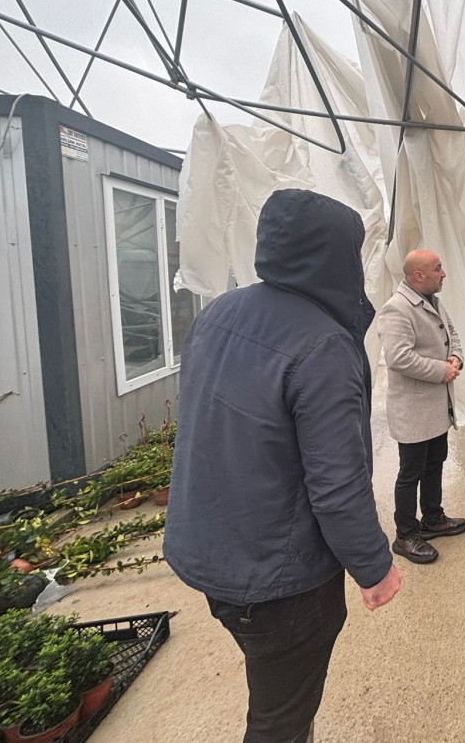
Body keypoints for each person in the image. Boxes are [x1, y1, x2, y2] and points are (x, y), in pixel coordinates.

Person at [163, 189, 401, 743]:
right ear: (336, 256)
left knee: (276, 696)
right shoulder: (323, 345)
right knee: (279, 720)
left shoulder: (220, 311)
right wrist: (373, 566)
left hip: (210, 550)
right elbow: (337, 486)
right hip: (278, 579)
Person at [378, 249, 465, 564]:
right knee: (411, 472)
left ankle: (432, 518)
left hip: (435, 407)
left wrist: (455, 357)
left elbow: (452, 334)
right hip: (414, 410)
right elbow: (398, 357)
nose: (443, 273)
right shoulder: (397, 309)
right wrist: (441, 370)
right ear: (418, 275)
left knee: (435, 462)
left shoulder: (432, 301)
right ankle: (405, 534)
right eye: (437, 268)